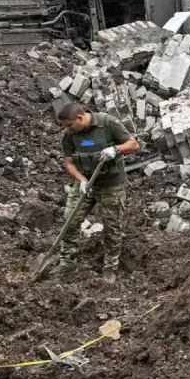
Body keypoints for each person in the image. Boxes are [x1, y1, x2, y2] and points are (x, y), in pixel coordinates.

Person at [57, 103, 139, 281]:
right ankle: (67, 264)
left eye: (69, 124)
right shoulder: (69, 134)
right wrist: (82, 180)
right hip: (86, 185)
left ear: (80, 118)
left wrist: (116, 149)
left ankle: (110, 267)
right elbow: (69, 162)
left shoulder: (107, 123)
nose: (67, 128)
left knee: (112, 228)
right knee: (70, 220)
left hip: (111, 185)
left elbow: (134, 145)